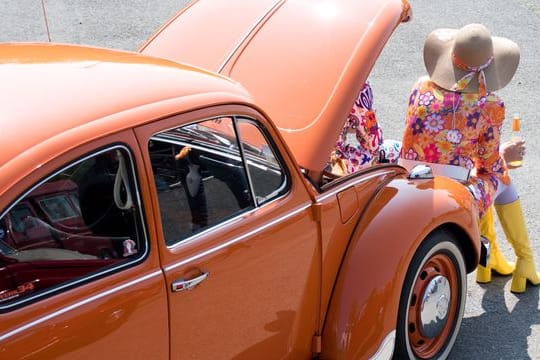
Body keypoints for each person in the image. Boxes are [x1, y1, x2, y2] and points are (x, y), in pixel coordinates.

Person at [399, 23, 539, 293]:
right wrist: (505, 155)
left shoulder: (421, 87)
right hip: (451, 192)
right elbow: (489, 165)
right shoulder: (489, 105)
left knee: (480, 171)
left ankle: (492, 261)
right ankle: (525, 262)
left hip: (409, 180)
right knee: (502, 177)